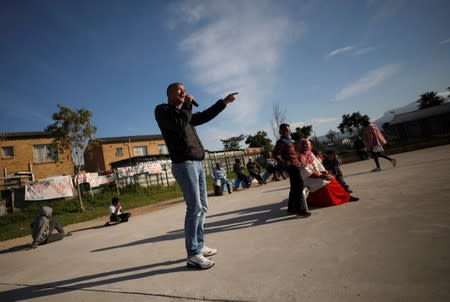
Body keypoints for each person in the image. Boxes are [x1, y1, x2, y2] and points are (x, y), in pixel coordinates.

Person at [155, 82, 238, 270]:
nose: (184, 93)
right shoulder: (163, 110)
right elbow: (178, 124)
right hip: (184, 164)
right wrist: (188, 104)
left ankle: (199, 245)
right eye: (179, 91)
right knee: (194, 207)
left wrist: (223, 102)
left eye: (184, 91)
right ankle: (193, 254)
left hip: (197, 163)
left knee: (203, 207)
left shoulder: (186, 113)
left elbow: (204, 116)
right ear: (169, 94)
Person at [298, 139, 358, 207]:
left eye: (307, 144)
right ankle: (332, 201)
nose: (305, 146)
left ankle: (346, 197)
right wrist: (321, 176)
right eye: (303, 144)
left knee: (332, 178)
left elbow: (319, 165)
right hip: (308, 178)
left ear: (310, 146)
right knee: (324, 182)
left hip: (317, 175)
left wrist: (325, 173)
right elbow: (306, 172)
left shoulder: (311, 153)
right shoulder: (301, 157)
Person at [272, 124, 311, 217]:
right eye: (284, 130)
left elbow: (293, 153)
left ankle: (291, 208)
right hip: (291, 166)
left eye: (288, 130)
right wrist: (285, 163)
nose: (287, 131)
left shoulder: (289, 141)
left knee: (294, 187)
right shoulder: (281, 142)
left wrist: (300, 161)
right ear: (280, 132)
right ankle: (299, 209)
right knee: (299, 185)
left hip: (296, 165)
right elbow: (275, 154)